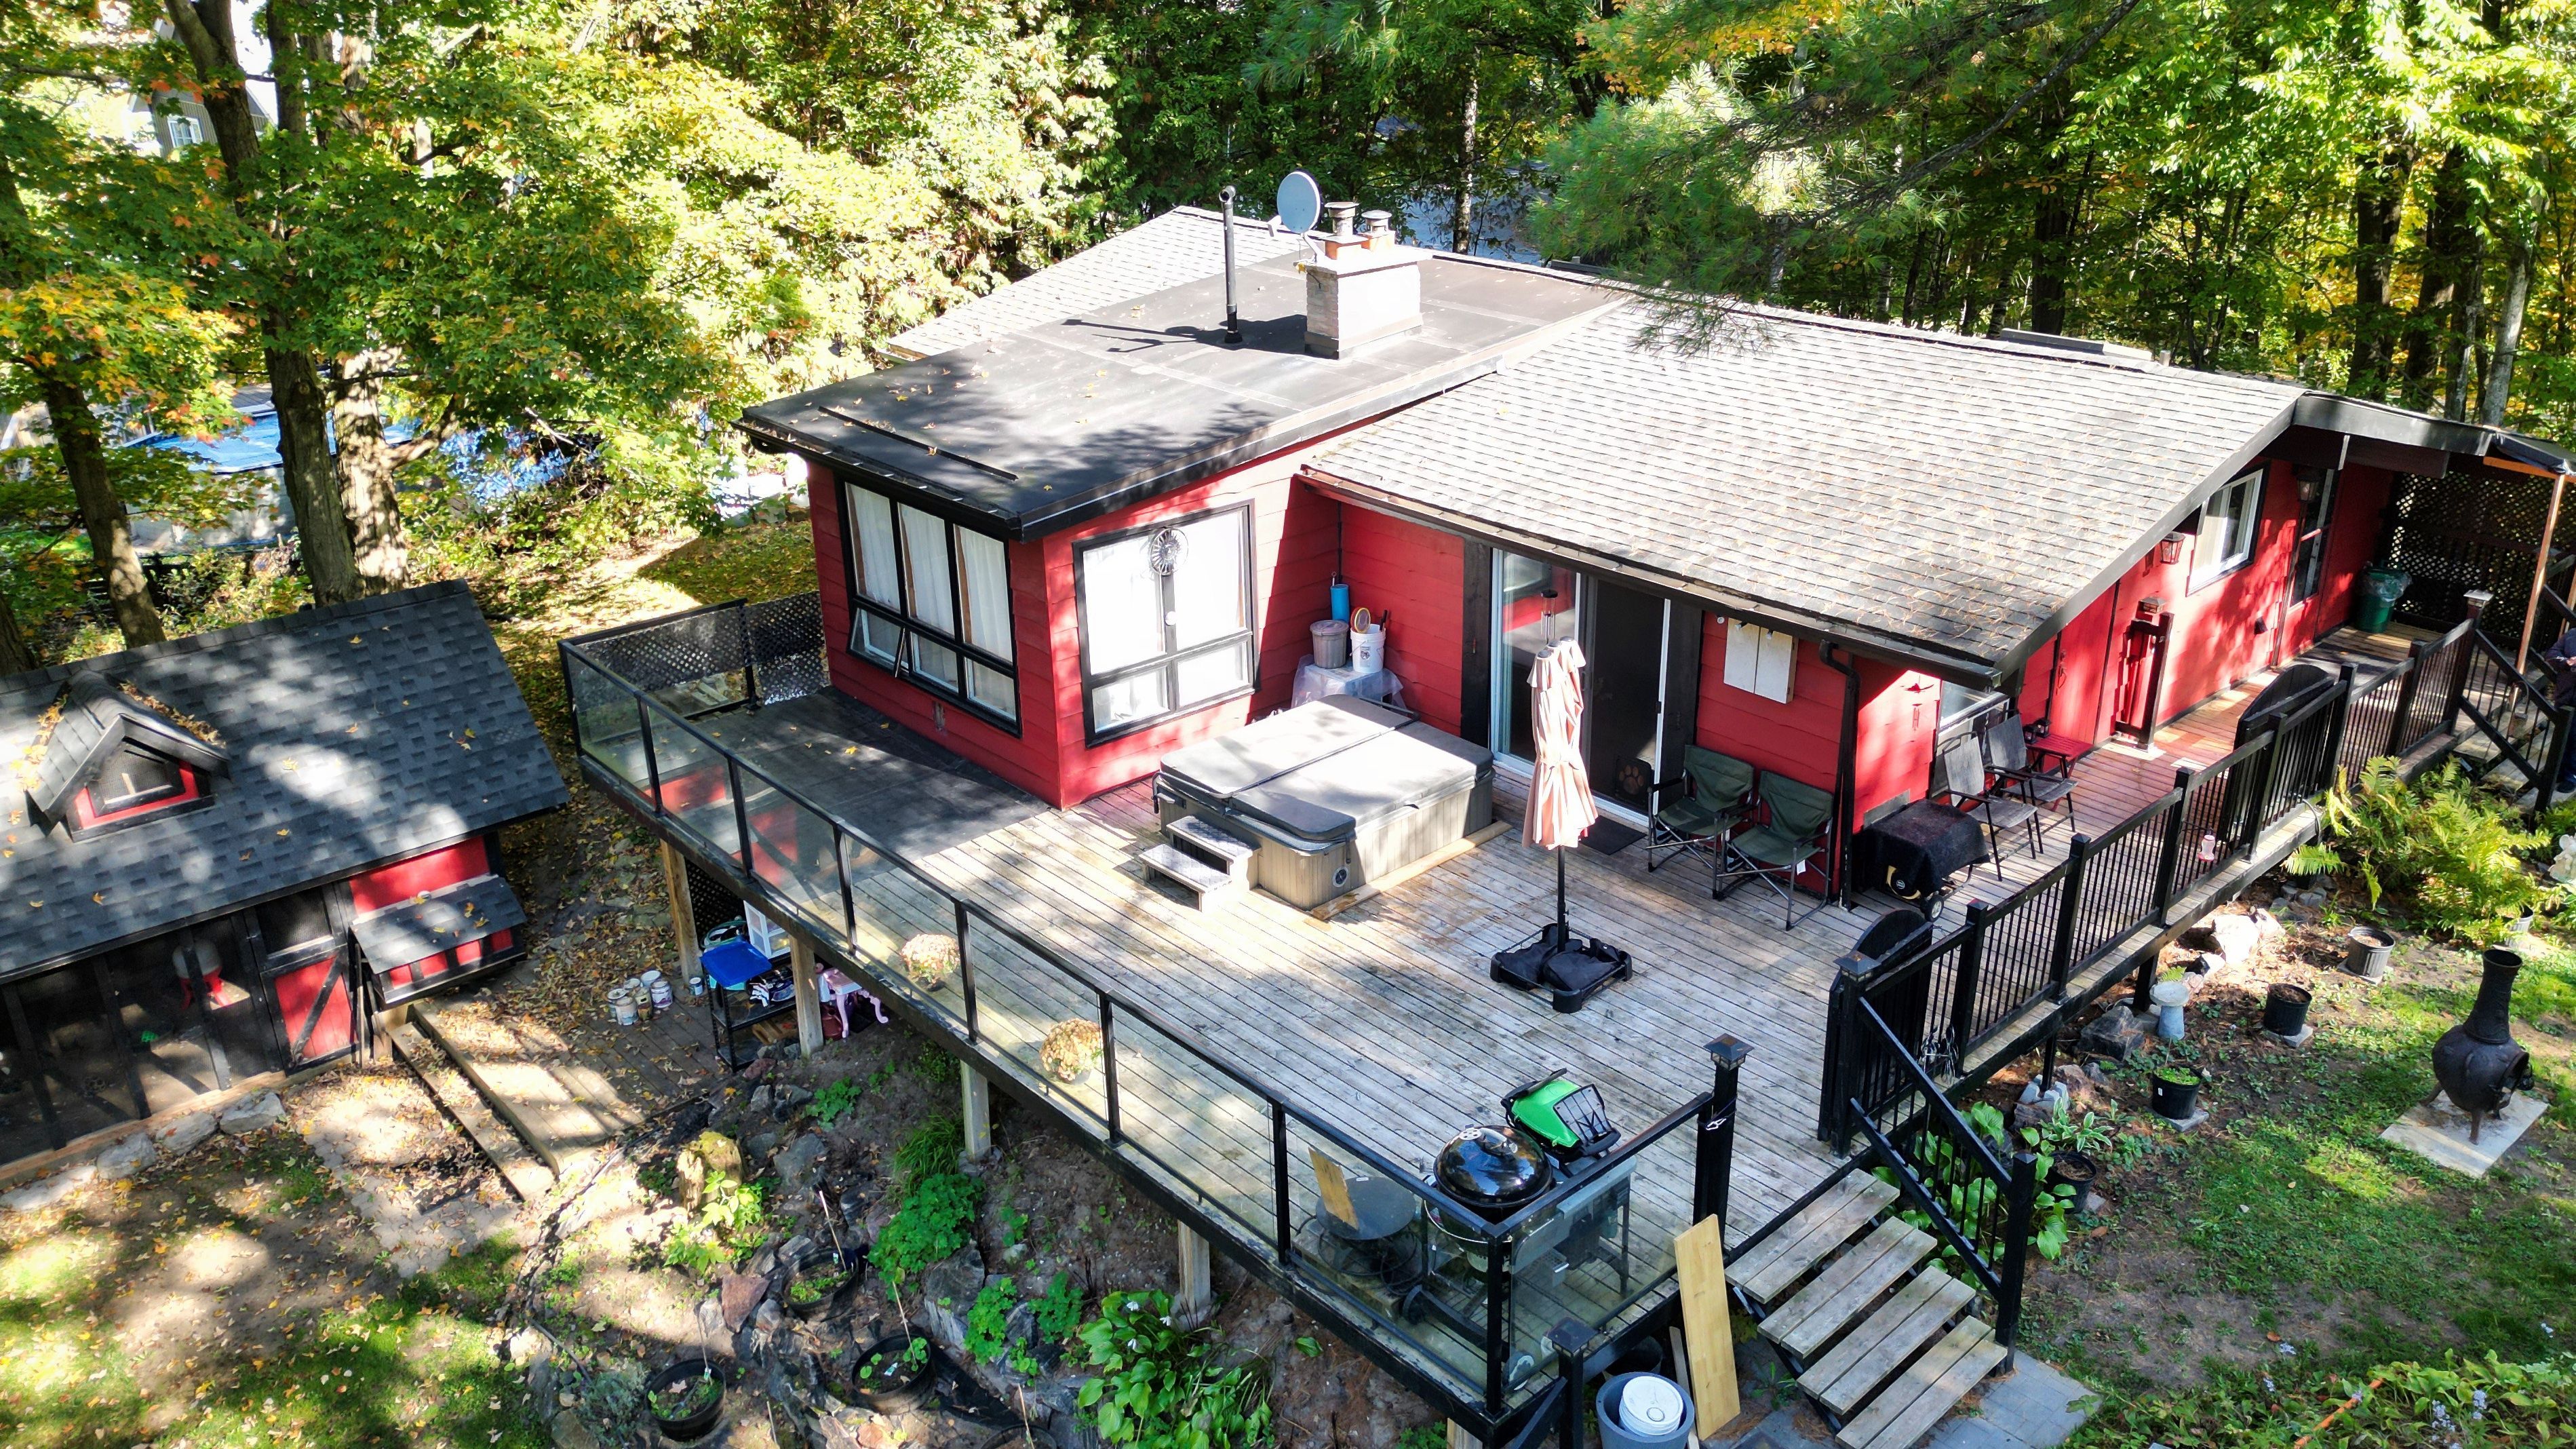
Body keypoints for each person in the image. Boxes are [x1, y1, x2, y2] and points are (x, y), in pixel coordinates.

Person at [2548, 625, 2576, 790]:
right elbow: (2552, 654)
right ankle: (2557, 770)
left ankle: (2571, 776)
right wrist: (2567, 662)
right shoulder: (2572, 634)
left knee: (2575, 737)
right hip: (2565, 694)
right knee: (2562, 734)